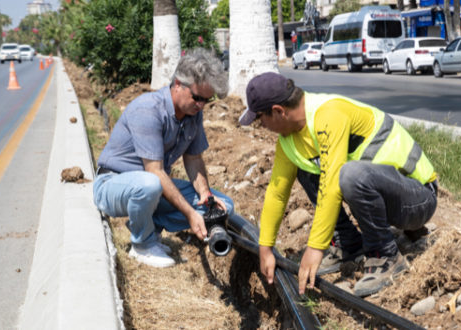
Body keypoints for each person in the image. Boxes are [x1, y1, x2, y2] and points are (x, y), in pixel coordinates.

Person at [240, 72, 438, 297]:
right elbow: (277, 193)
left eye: (260, 119)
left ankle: (386, 255)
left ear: (278, 111)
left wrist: (316, 247)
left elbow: (332, 184)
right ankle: (348, 245)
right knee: (307, 168)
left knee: (349, 174)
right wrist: (265, 248)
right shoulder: (289, 140)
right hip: (390, 203)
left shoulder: (328, 114)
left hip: (418, 200)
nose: (261, 126)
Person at [93, 48, 234, 268]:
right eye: (197, 98)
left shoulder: (193, 113)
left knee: (225, 206)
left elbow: (194, 159)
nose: (201, 105)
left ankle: (148, 225)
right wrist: (189, 214)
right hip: (113, 184)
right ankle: (142, 245)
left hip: (151, 189)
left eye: (207, 100)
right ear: (178, 84)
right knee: (150, 184)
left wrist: (206, 196)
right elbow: (154, 172)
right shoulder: (148, 109)